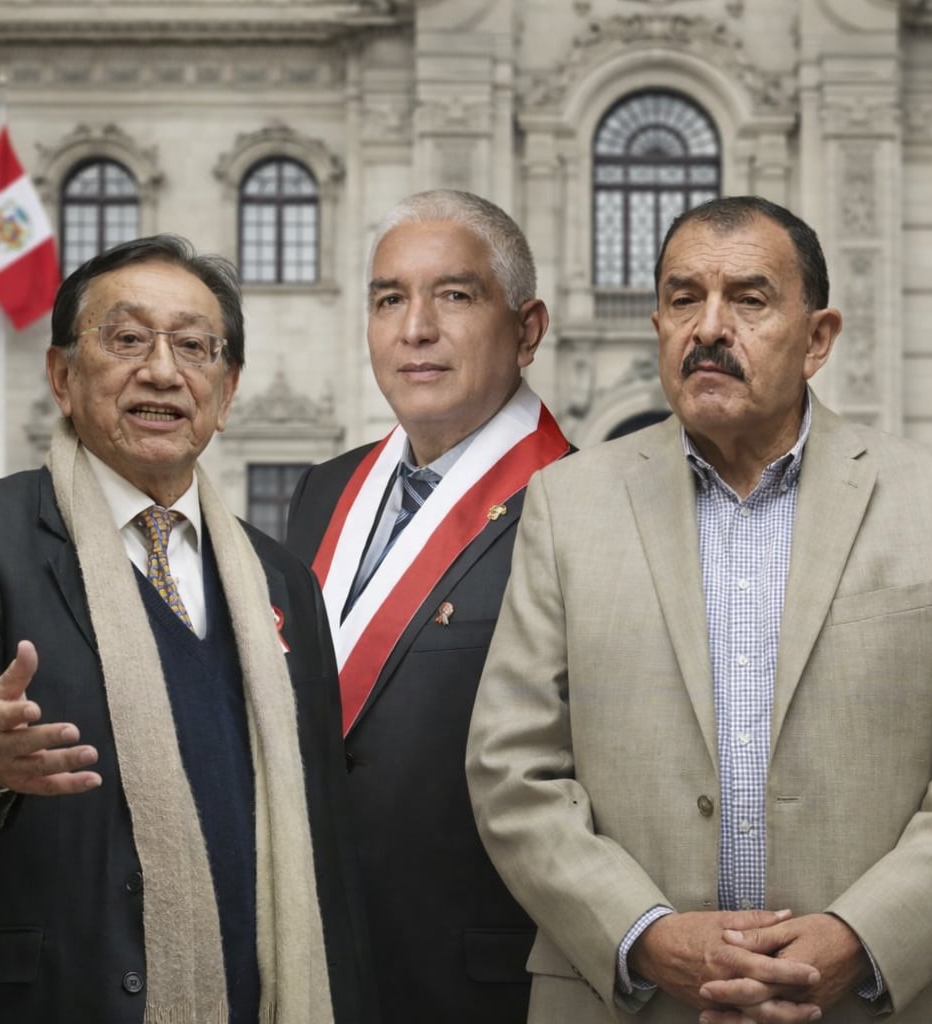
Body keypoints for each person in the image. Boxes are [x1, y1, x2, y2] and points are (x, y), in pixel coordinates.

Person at [466, 195, 932, 1024]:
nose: (708, 327)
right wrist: (644, 935)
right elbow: (510, 768)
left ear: (817, 339)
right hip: (631, 1001)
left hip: (879, 1002)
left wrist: (860, 935)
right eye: (681, 299)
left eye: (749, 299)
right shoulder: (566, 505)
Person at [0, 236, 373, 1024]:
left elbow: (323, 819)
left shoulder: (280, 577)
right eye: (128, 338)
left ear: (228, 387)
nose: (162, 371)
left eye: (193, 346)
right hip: (61, 996)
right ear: (63, 377)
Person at [284, 189, 569, 1021]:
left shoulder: (585, 506)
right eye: (388, 299)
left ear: (527, 329)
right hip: (312, 962)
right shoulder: (321, 490)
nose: (415, 327)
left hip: (480, 978)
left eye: (454, 294)